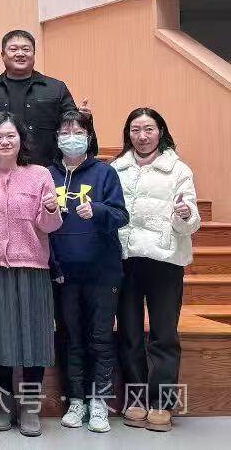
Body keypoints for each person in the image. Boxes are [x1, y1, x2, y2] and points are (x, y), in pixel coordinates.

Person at [0, 112, 61, 437]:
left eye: (11, 135)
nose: (5, 141)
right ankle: (3, 403)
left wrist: (50, 209)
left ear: (21, 139)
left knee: (34, 339)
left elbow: (50, 226)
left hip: (32, 267)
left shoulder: (40, 175)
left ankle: (31, 406)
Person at [113, 107, 199, 433]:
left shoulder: (178, 169)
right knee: (130, 333)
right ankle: (136, 399)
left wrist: (185, 213)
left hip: (166, 259)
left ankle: (162, 403)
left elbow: (190, 222)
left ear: (160, 131)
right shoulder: (117, 168)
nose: (142, 136)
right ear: (128, 134)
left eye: (149, 129)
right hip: (126, 258)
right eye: (135, 130)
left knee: (164, 334)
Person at [48, 110, 126, 434]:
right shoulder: (47, 175)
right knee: (71, 338)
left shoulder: (105, 173)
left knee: (100, 339)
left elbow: (121, 215)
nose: (71, 137)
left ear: (89, 137)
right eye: (65, 132)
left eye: (78, 132)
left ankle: (99, 402)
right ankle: (76, 399)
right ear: (56, 138)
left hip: (102, 271)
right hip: (64, 273)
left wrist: (97, 210)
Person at [0, 30, 83, 166]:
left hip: (49, 169)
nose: (20, 53)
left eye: (26, 49)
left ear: (33, 54)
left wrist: (83, 117)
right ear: (3, 55)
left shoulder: (56, 88)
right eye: (13, 49)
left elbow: (72, 127)